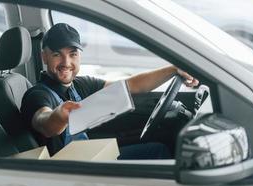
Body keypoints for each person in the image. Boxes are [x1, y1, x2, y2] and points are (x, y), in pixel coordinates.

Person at [20, 23, 198, 159]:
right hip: (70, 173)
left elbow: (132, 85)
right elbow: (43, 122)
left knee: (157, 147)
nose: (66, 62)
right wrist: (58, 117)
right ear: (44, 56)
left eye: (73, 54)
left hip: (88, 157)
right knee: (158, 152)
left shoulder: (80, 85)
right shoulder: (37, 94)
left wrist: (172, 70)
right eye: (57, 54)